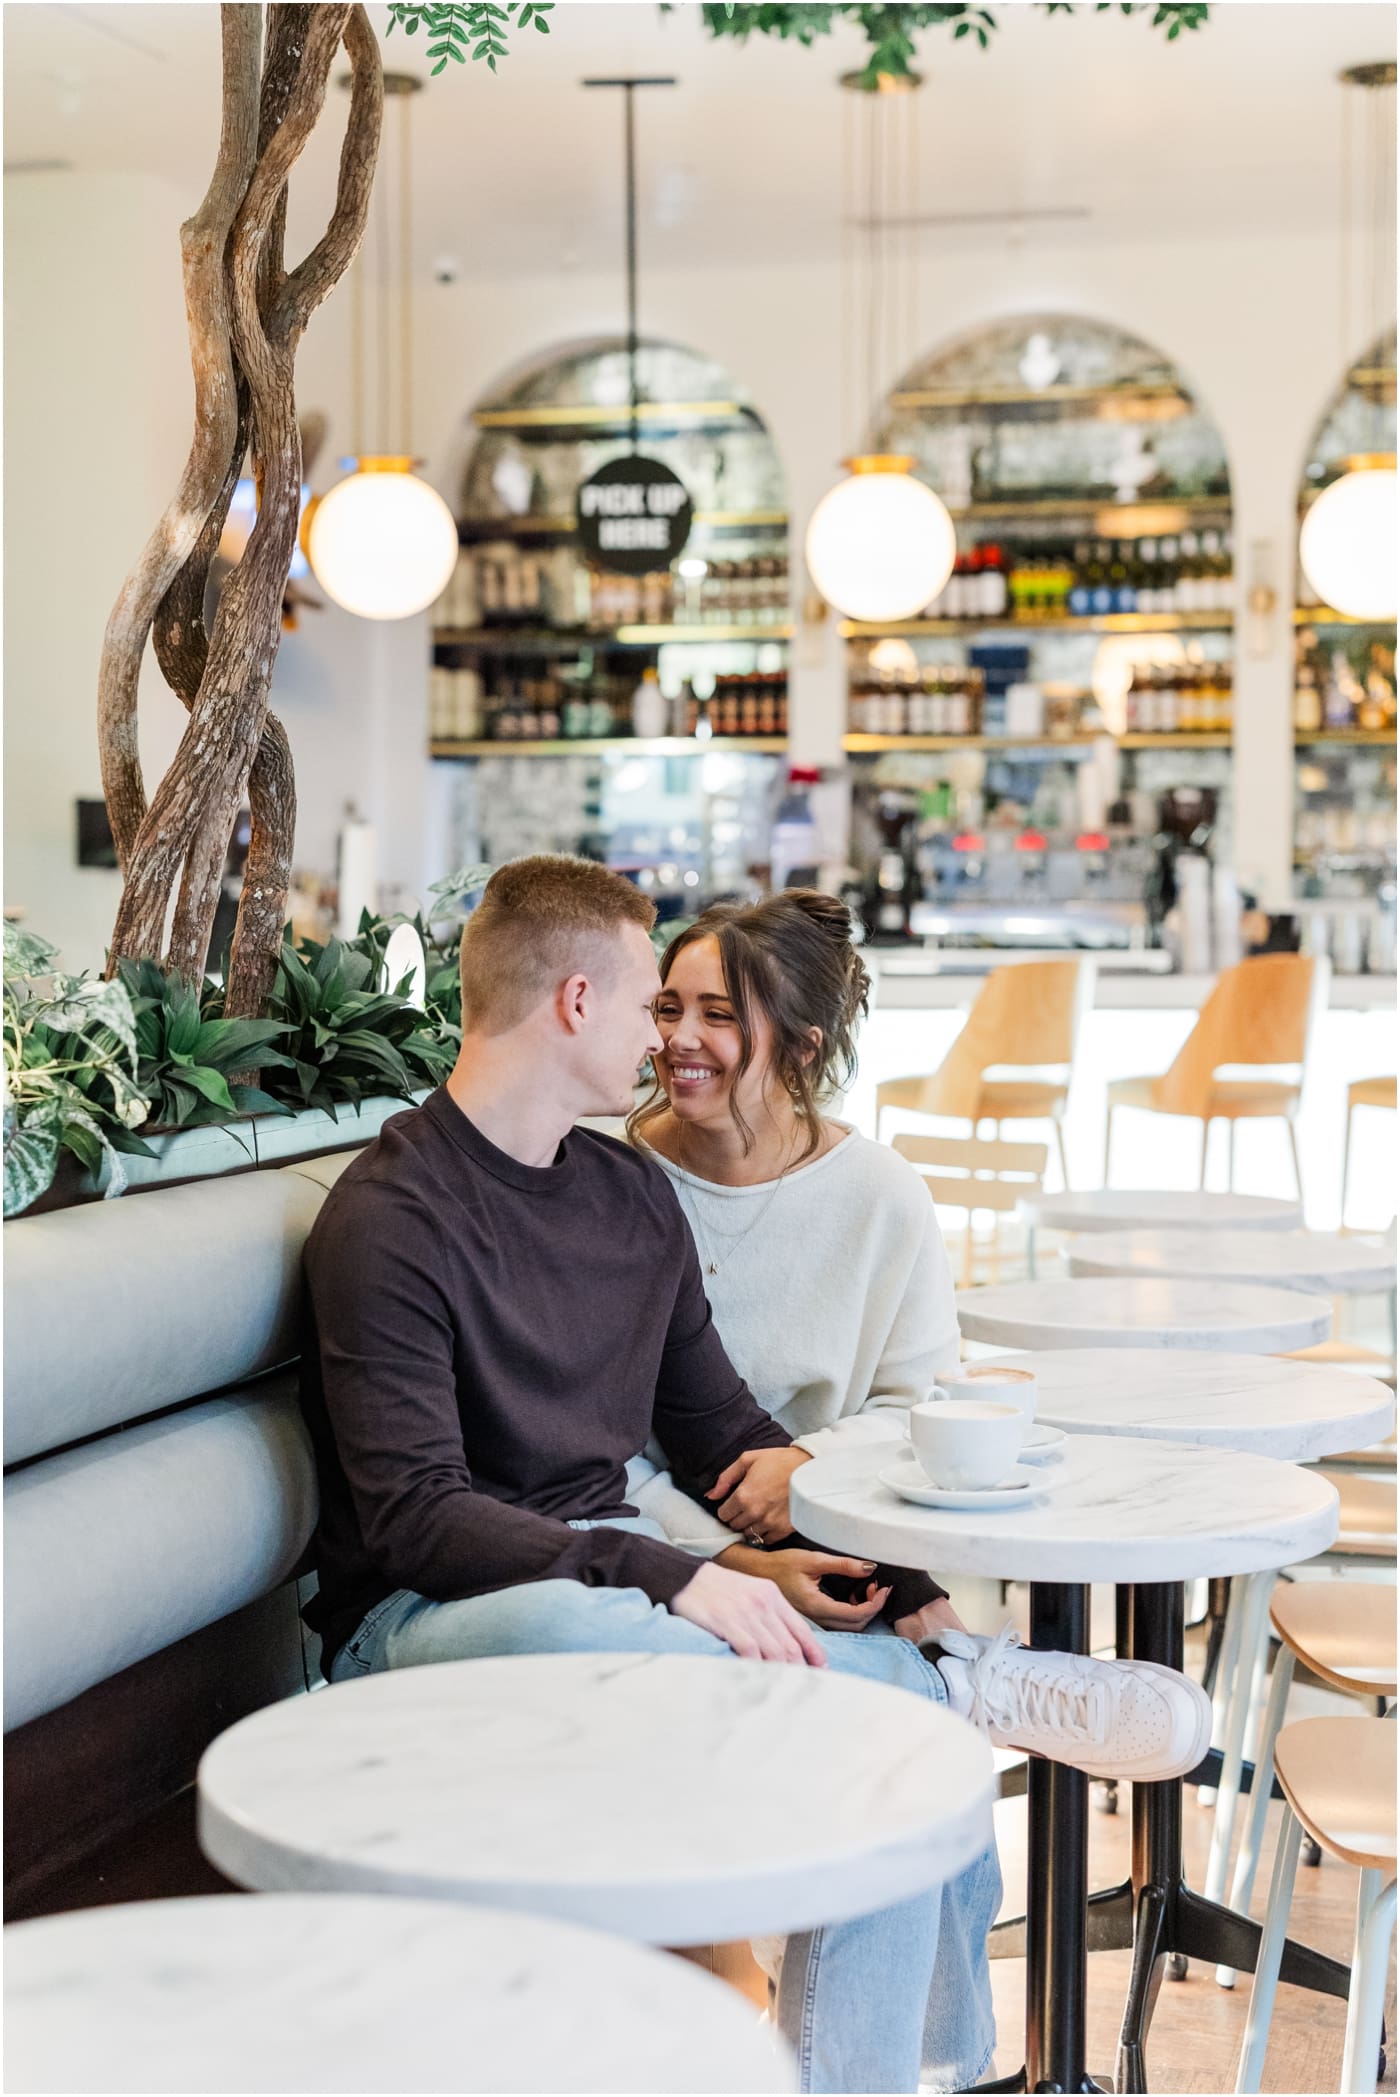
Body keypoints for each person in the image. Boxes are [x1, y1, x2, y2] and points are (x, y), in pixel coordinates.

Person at [300, 855, 1210, 2097]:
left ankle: (875, 2032)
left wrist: (890, 1582)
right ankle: (964, 1683)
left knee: (892, 1742)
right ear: (575, 1002)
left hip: (606, 1590)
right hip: (430, 1619)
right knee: (623, 1633)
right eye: (648, 1004)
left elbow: (723, 1429)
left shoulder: (626, 1191)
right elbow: (415, 1522)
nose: (658, 1038)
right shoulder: (393, 1217)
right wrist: (672, 1574)